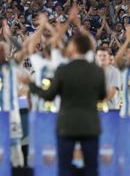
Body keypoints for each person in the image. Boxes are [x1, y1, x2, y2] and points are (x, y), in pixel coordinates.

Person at [20, 32, 106, 176]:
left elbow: (48, 96)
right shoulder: (97, 70)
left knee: (65, 168)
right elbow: (102, 96)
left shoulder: (63, 70)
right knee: (92, 168)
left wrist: (31, 85)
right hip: (90, 126)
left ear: (74, 48)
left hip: (67, 126)